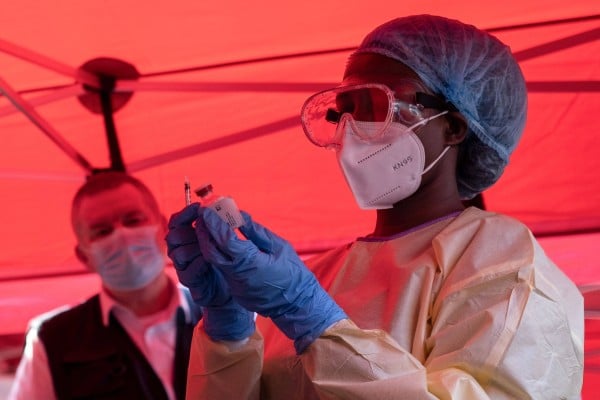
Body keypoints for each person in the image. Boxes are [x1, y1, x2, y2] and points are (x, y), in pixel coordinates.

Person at [166, 15, 583, 399]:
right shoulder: (315, 277)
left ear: (453, 127)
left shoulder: (502, 259)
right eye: (343, 111)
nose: (351, 130)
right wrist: (229, 331)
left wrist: (313, 319)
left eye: (377, 105)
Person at [9, 172, 201, 400]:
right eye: (102, 231)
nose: (122, 235)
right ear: (83, 256)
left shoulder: (221, 310)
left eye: (133, 220)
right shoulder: (52, 339)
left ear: (163, 226)